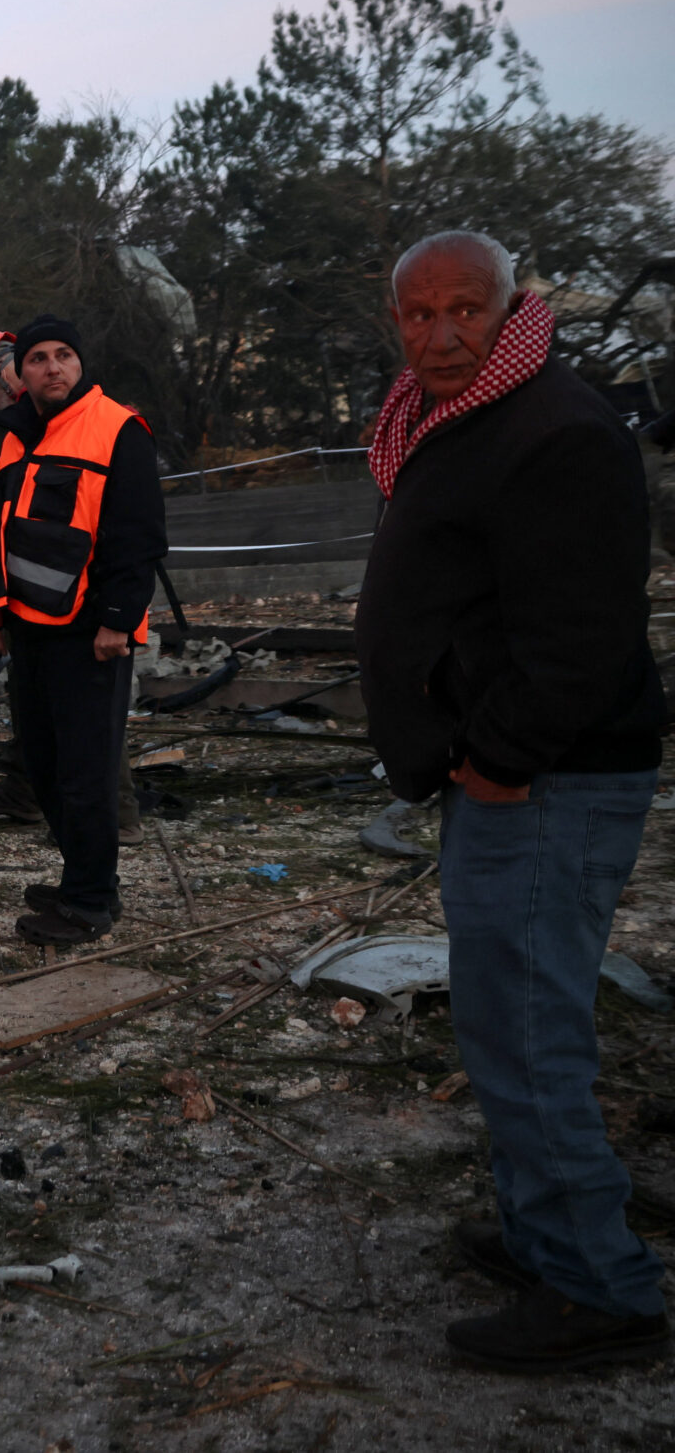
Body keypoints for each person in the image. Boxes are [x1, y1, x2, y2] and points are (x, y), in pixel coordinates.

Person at [357, 231, 668, 1372]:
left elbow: (580, 641)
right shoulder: (462, 414)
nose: (438, 335)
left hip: (547, 783)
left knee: (528, 1030)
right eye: (416, 315)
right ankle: (548, 1236)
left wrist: (495, 758)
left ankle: (597, 1288)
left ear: (510, 310)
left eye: (463, 312)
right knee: (505, 1019)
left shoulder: (556, 431)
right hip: (514, 778)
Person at [0, 315, 165, 946]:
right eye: (37, 359)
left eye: (63, 356)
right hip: (27, 628)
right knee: (48, 765)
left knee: (86, 772)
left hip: (89, 633)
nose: (52, 367)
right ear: (20, 372)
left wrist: (118, 621)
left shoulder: (118, 429)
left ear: (79, 364)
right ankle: (82, 877)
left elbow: (140, 537)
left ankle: (88, 901)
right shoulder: (16, 434)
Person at [0, 331, 143, 842]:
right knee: (45, 716)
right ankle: (40, 796)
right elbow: (0, 531)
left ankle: (112, 820)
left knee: (88, 727)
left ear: (1, 370)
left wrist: (116, 616)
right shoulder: (20, 434)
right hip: (34, 610)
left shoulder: (95, 426)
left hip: (81, 611)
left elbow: (129, 533)